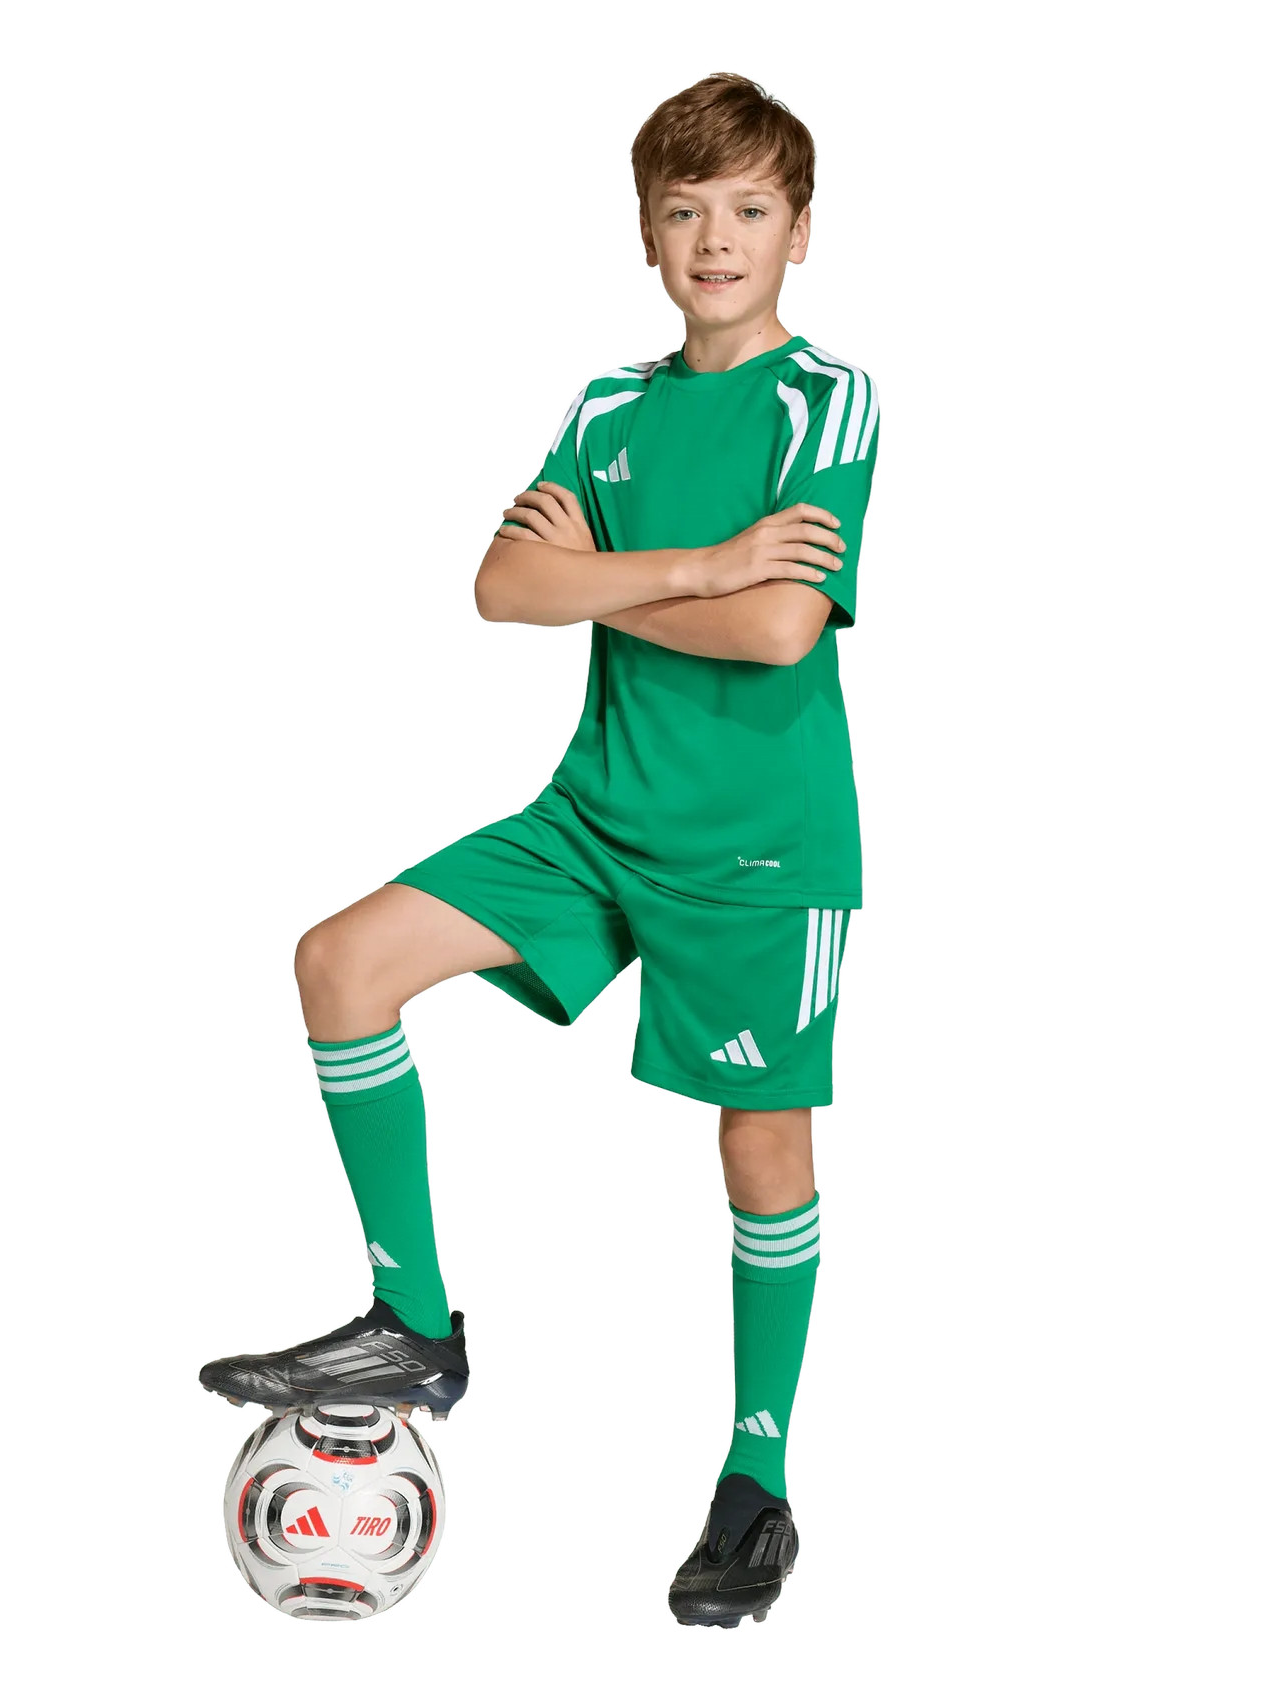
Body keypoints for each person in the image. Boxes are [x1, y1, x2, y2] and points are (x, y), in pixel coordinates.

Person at [199, 70, 880, 1631]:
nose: (717, 239)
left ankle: (755, 1482)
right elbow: (503, 590)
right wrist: (701, 563)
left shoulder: (829, 399)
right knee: (341, 963)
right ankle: (415, 1323)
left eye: (751, 210)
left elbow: (784, 630)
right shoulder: (606, 408)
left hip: (760, 849)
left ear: (801, 231)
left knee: (760, 1151)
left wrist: (615, 579)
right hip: (594, 813)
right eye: (685, 211)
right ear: (645, 233)